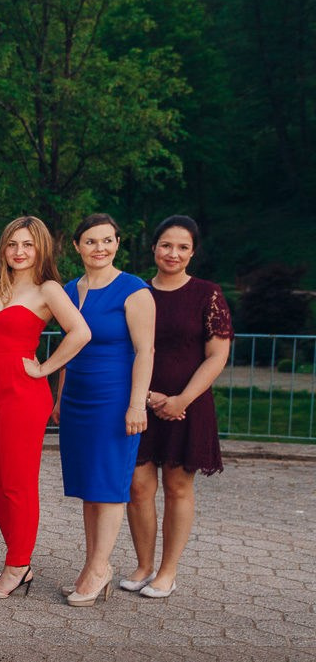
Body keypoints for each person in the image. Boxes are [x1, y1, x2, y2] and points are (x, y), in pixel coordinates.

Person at [0, 216, 91, 599]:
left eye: (28, 245)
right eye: (13, 244)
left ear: (41, 250)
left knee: (18, 482)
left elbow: (81, 332)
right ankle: (21, 560)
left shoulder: (47, 289)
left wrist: (45, 368)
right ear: (3, 248)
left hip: (24, 393)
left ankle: (16, 566)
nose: (19, 252)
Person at [124, 215, 232, 600]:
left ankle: (167, 572)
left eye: (183, 247)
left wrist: (181, 399)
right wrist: (148, 396)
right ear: (153, 248)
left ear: (192, 252)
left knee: (177, 486)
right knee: (137, 486)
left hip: (188, 405)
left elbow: (217, 355)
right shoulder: (135, 291)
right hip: (140, 401)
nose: (173, 253)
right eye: (166, 245)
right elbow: (126, 349)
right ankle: (142, 565)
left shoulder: (207, 293)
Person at [54, 214, 155, 606]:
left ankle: (100, 568)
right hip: (77, 396)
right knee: (89, 487)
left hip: (115, 399)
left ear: (117, 242)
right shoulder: (67, 289)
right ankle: (91, 565)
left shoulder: (134, 290)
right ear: (77, 246)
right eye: (91, 241)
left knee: (110, 485)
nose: (100, 248)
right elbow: (69, 348)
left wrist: (135, 403)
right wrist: (61, 397)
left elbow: (145, 351)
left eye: (107, 240)